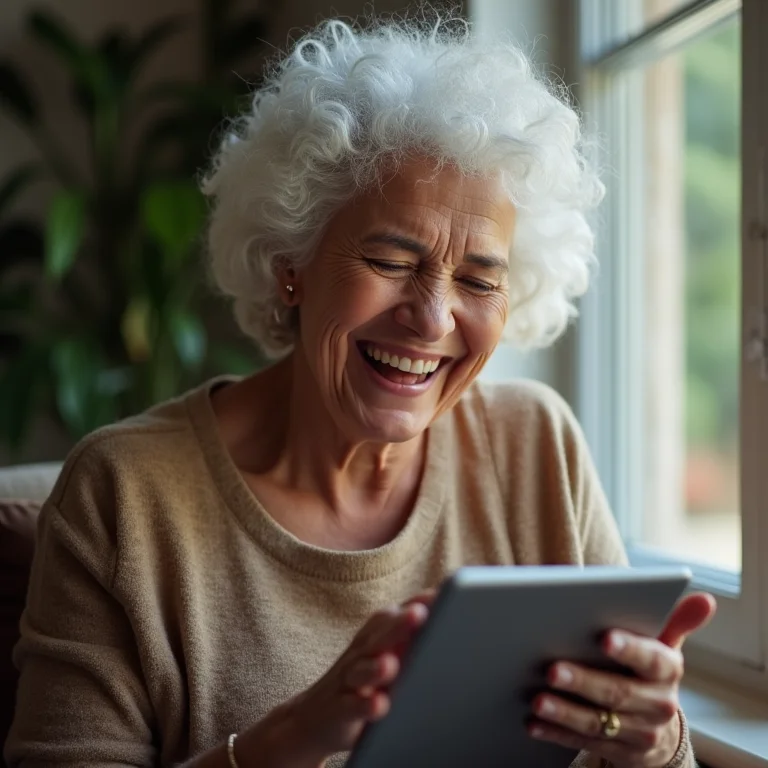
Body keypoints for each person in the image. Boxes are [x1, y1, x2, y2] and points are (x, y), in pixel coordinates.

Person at [5, 13, 715, 768]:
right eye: (390, 260)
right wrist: (291, 739)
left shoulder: (536, 444)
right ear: (291, 261)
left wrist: (649, 738)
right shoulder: (125, 494)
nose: (432, 317)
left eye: (479, 278)